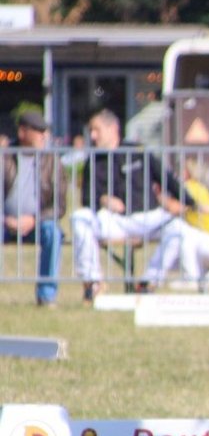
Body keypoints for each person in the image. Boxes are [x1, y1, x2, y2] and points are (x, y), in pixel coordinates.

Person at [70, 108, 185, 303]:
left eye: (96, 130)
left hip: (148, 217)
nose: (93, 136)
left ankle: (148, 283)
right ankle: (93, 282)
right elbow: (86, 200)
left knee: (178, 229)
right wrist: (103, 200)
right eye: (91, 131)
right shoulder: (94, 160)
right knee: (80, 217)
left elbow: (168, 180)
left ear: (113, 128)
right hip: (112, 220)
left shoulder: (138, 152)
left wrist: (187, 203)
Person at [2, 110, 67, 307]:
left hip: (37, 223)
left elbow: (60, 206)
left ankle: (46, 296)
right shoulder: (4, 157)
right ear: (22, 132)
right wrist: (5, 219)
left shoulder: (52, 160)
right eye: (38, 131)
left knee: (53, 233)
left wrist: (34, 219)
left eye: (44, 131)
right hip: (4, 223)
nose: (43, 136)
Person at [140, 162, 209, 291]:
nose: (175, 175)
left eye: (180, 171)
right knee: (175, 249)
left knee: (183, 233)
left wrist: (157, 195)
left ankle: (192, 279)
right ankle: (206, 273)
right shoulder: (197, 187)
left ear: (187, 173)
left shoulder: (189, 187)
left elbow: (175, 208)